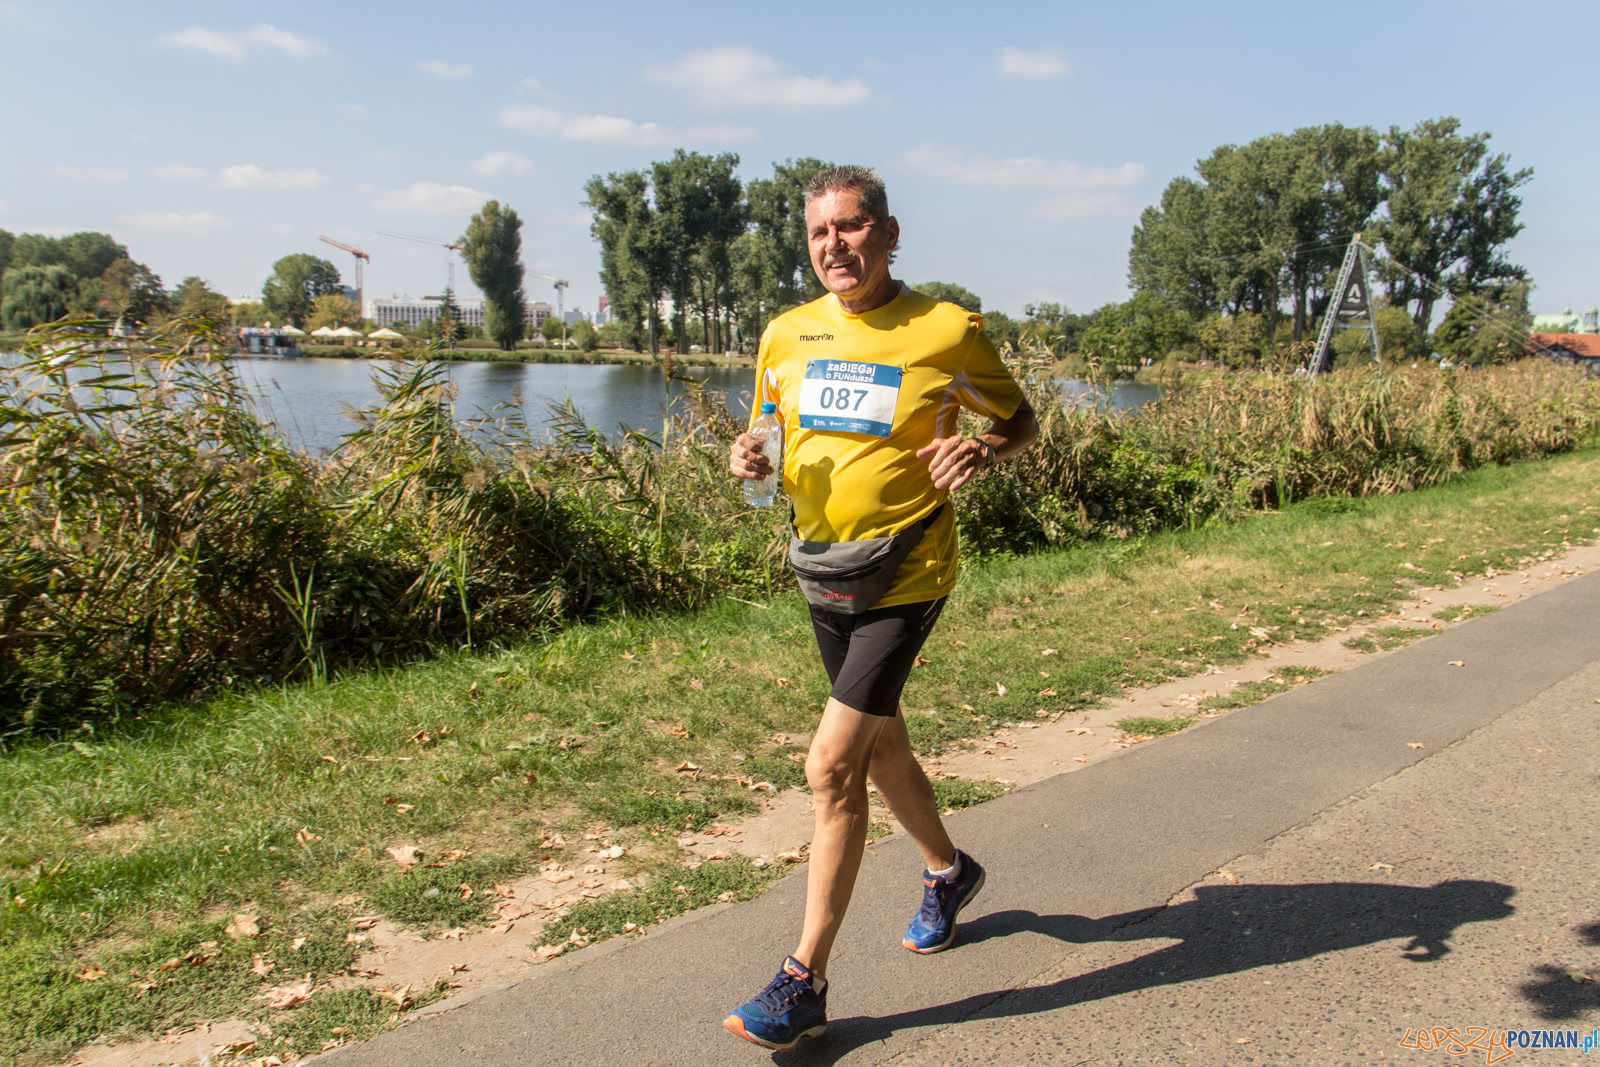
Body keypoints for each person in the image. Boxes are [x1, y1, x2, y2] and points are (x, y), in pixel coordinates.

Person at [723, 165, 1039, 1050]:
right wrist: (748, 460)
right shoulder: (785, 334)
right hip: (825, 569)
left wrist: (983, 449)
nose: (836, 246)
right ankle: (949, 868)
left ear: (889, 233)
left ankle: (804, 981)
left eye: (852, 227)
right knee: (882, 738)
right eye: (820, 232)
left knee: (832, 766)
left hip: (909, 570)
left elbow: (1021, 422)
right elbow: (769, 438)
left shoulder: (947, 329)